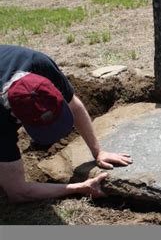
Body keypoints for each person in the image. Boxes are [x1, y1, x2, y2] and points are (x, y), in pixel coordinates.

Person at [0, 45, 133, 203]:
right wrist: (79, 188)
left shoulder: (40, 64)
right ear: (14, 114)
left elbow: (73, 104)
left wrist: (98, 152)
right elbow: (18, 192)